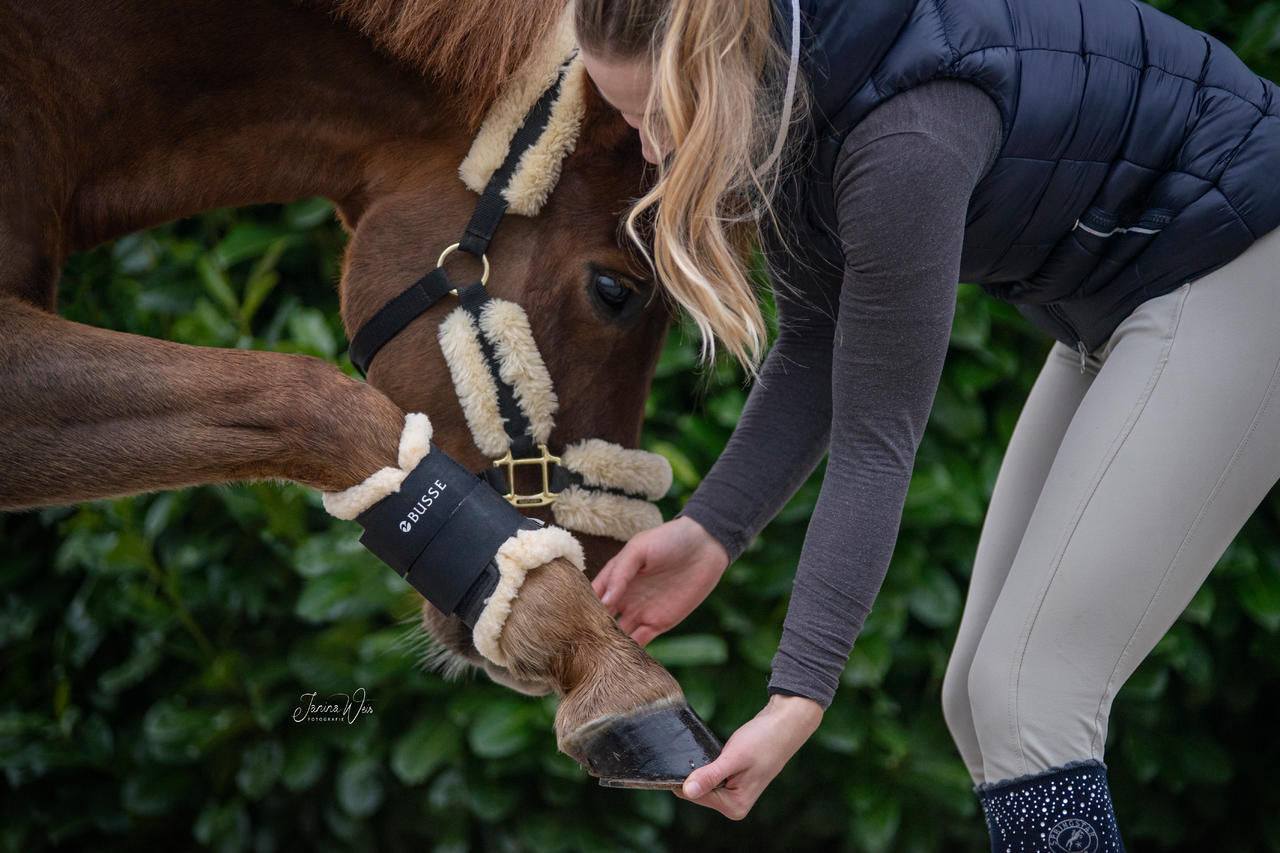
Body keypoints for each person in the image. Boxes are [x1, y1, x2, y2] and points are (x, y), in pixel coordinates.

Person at [575, 0, 1280, 847]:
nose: (652, 148)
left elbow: (878, 438)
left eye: (660, 115)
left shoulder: (903, 137)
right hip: (1123, 295)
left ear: (720, 70)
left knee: (1030, 693)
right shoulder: (795, 80)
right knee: (982, 704)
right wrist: (713, 529)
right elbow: (817, 343)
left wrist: (796, 695)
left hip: (1239, 258)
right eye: (624, 116)